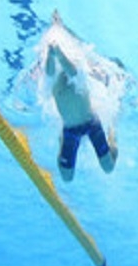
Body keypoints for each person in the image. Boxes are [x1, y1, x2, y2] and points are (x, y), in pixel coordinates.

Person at [46, 43, 118, 181]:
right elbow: (49, 73)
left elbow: (72, 70)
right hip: (70, 131)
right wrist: (50, 54)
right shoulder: (53, 82)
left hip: (91, 124)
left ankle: (113, 132)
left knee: (108, 167)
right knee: (66, 177)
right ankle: (61, 143)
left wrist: (59, 53)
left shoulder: (78, 75)